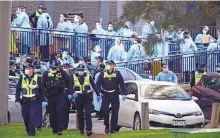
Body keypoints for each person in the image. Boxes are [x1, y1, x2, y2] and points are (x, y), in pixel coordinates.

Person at [42, 60, 72, 135]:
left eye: (56, 68)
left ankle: (60, 129)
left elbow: (70, 81)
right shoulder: (46, 73)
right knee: (52, 112)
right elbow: (42, 85)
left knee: (60, 111)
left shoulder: (62, 73)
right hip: (50, 96)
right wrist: (43, 98)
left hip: (60, 95)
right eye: (53, 68)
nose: (54, 69)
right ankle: (54, 129)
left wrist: (70, 92)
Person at [96, 60, 126, 134]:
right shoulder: (102, 73)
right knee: (105, 111)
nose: (108, 65)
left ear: (113, 65)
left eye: (110, 64)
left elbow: (122, 84)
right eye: (107, 64)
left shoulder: (117, 73)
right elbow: (98, 84)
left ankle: (113, 128)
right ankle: (106, 125)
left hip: (115, 94)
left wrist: (124, 93)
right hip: (105, 94)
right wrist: (98, 93)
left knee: (115, 112)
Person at [15, 63, 45, 136]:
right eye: (27, 69)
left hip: (34, 100)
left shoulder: (37, 78)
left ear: (33, 70)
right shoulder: (22, 78)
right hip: (25, 101)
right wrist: (17, 100)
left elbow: (42, 90)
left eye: (29, 69)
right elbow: (18, 89)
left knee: (32, 117)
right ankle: (28, 130)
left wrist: (43, 100)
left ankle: (32, 133)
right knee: (25, 117)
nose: (28, 70)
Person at [72, 64, 100, 136]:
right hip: (79, 98)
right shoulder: (74, 76)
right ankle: (81, 129)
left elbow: (93, 85)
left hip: (87, 97)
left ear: (84, 70)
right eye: (79, 70)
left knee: (87, 113)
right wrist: (72, 93)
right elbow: (70, 86)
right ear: (77, 70)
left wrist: (98, 94)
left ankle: (88, 129)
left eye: (82, 70)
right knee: (80, 114)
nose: (80, 71)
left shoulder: (88, 76)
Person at [61, 63, 72, 130]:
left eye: (66, 68)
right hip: (61, 94)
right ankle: (61, 125)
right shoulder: (60, 75)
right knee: (61, 110)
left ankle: (65, 126)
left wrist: (71, 93)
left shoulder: (71, 76)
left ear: (69, 68)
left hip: (68, 94)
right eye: (64, 68)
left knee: (66, 111)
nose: (65, 69)